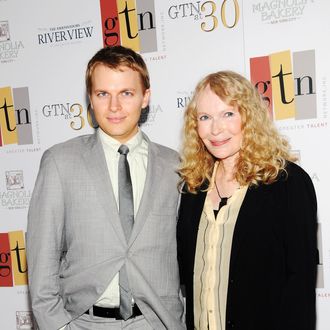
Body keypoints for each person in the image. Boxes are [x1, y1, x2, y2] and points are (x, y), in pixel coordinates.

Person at [27, 46, 185, 330]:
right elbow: (42, 258)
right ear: (90, 98)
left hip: (157, 323)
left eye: (126, 93)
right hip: (83, 323)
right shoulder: (60, 162)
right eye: (103, 94)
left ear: (145, 97)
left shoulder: (176, 166)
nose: (114, 106)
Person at [177, 70, 317, 330]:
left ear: (248, 117)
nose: (216, 129)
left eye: (228, 114)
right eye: (205, 117)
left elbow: (300, 287)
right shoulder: (194, 187)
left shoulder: (287, 183)